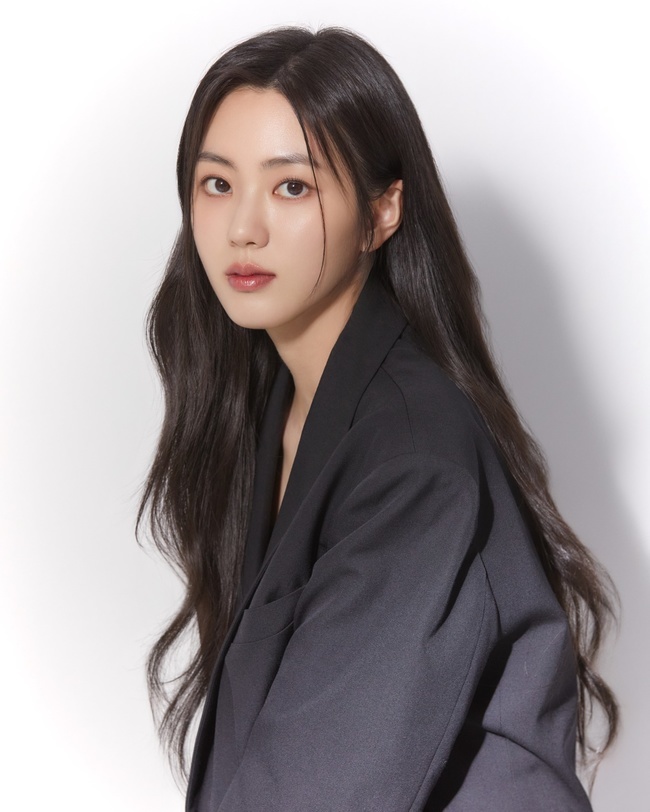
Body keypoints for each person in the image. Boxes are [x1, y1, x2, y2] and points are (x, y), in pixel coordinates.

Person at [138, 26, 618, 811]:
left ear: (382, 211)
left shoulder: (413, 457)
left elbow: (315, 789)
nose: (243, 227)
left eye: (292, 188)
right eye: (217, 183)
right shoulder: (279, 404)